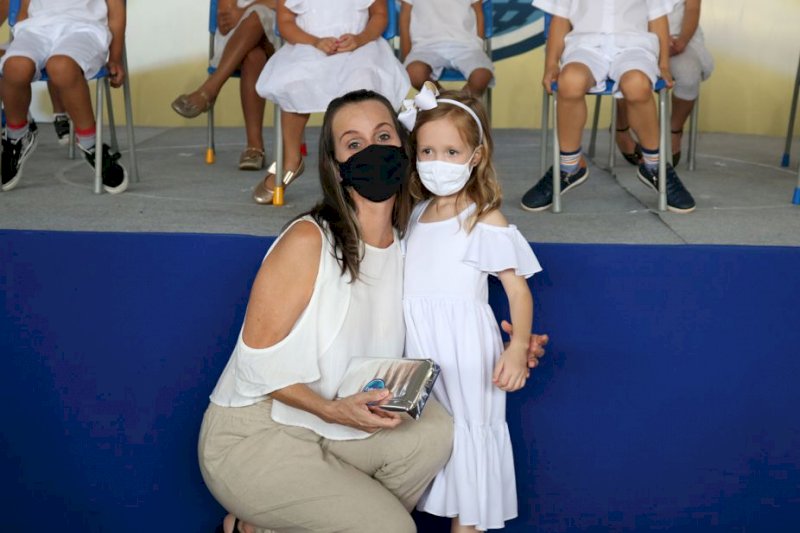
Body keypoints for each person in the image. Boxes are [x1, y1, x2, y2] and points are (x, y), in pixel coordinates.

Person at [199, 89, 549, 533]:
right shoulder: (310, 241)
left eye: (384, 136)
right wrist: (330, 411)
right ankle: (279, 516)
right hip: (259, 433)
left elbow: (432, 314)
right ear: (336, 165)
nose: (372, 151)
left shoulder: (408, 241)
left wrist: (505, 343)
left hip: (330, 428)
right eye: (354, 143)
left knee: (435, 430)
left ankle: (271, 525)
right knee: (393, 529)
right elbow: (254, 366)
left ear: (404, 149)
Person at [400, 84, 540, 531]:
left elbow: (517, 290)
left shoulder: (483, 218)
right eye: (427, 150)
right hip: (418, 349)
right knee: (425, 452)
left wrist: (517, 346)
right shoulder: (415, 215)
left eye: (451, 151)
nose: (436, 162)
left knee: (468, 450)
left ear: (475, 156)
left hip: (465, 353)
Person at [521, 0, 696, 214]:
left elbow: (658, 19)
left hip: (635, 48)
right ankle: (569, 166)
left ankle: (654, 165)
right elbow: (560, 18)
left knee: (637, 85)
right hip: (585, 47)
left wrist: (664, 65)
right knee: (570, 81)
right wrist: (550, 65)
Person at [252, 0, 410, 205]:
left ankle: (361, 163)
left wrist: (360, 38)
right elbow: (285, 23)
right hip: (310, 47)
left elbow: (379, 15)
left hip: (359, 49)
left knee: (362, 83)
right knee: (293, 83)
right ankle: (291, 160)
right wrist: (314, 41)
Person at [0, 0, 127, 194]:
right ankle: (17, 136)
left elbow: (116, 11)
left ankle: (90, 144)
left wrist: (116, 57)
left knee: (61, 66)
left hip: (84, 30)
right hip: (37, 28)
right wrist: (20, 37)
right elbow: (24, 8)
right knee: (14, 66)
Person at [171, 0, 277, 171]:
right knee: (253, 55)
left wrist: (247, 9)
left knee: (257, 15)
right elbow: (225, 17)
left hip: (280, 34)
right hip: (238, 40)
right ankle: (254, 147)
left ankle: (209, 90)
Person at [615, 0, 713, 168]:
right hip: (635, 36)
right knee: (629, 75)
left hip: (679, 38)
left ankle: (673, 131)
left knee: (689, 75)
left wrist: (681, 41)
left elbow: (692, 8)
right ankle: (621, 129)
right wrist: (658, 37)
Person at [399, 0, 494, 97]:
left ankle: (459, 106)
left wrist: (478, 45)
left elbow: (479, 12)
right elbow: (405, 17)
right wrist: (407, 56)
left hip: (466, 45)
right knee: (414, 73)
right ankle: (444, 102)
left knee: (482, 76)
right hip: (425, 46)